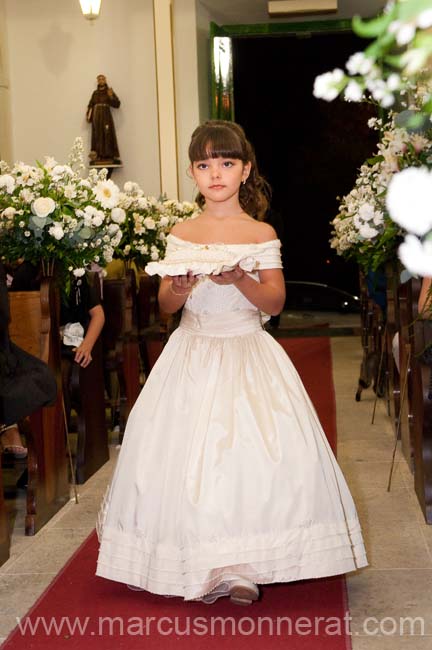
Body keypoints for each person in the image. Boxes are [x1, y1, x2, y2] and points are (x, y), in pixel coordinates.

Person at [96, 120, 367, 605]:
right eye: (203, 165)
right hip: (192, 353)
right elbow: (165, 304)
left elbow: (276, 301)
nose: (214, 173)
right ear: (191, 173)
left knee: (247, 459)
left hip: (247, 352)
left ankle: (244, 565)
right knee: (189, 462)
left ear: (245, 171)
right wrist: (178, 288)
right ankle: (202, 558)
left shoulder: (259, 231)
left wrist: (241, 278)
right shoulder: (182, 232)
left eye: (225, 163)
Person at [86, 74, 121, 165]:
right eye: (99, 79)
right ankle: (98, 155)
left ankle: (108, 155)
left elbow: (117, 104)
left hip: (106, 116)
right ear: (97, 81)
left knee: (107, 134)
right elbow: (91, 105)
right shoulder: (95, 93)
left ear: (105, 80)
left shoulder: (109, 91)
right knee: (97, 135)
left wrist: (111, 97)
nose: (101, 81)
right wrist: (89, 115)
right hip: (96, 117)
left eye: (103, 79)